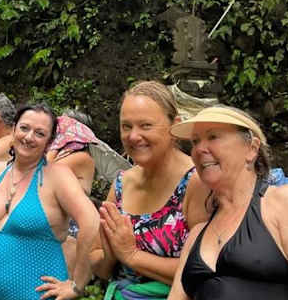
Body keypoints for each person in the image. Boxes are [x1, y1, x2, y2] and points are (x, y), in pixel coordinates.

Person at [167, 105, 288, 299]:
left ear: (251, 148)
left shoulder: (285, 203)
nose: (199, 149)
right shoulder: (196, 235)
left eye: (213, 137)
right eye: (195, 141)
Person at [0, 103, 99, 300]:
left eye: (40, 133)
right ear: (14, 130)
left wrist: (77, 285)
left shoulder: (57, 176)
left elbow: (91, 222)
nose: (28, 137)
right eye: (24, 128)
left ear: (49, 141)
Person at [89, 81, 209, 300]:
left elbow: (204, 269)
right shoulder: (122, 184)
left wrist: (131, 255)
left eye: (145, 125)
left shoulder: (197, 182)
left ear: (175, 126)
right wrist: (110, 253)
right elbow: (99, 266)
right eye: (126, 126)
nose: (133, 136)